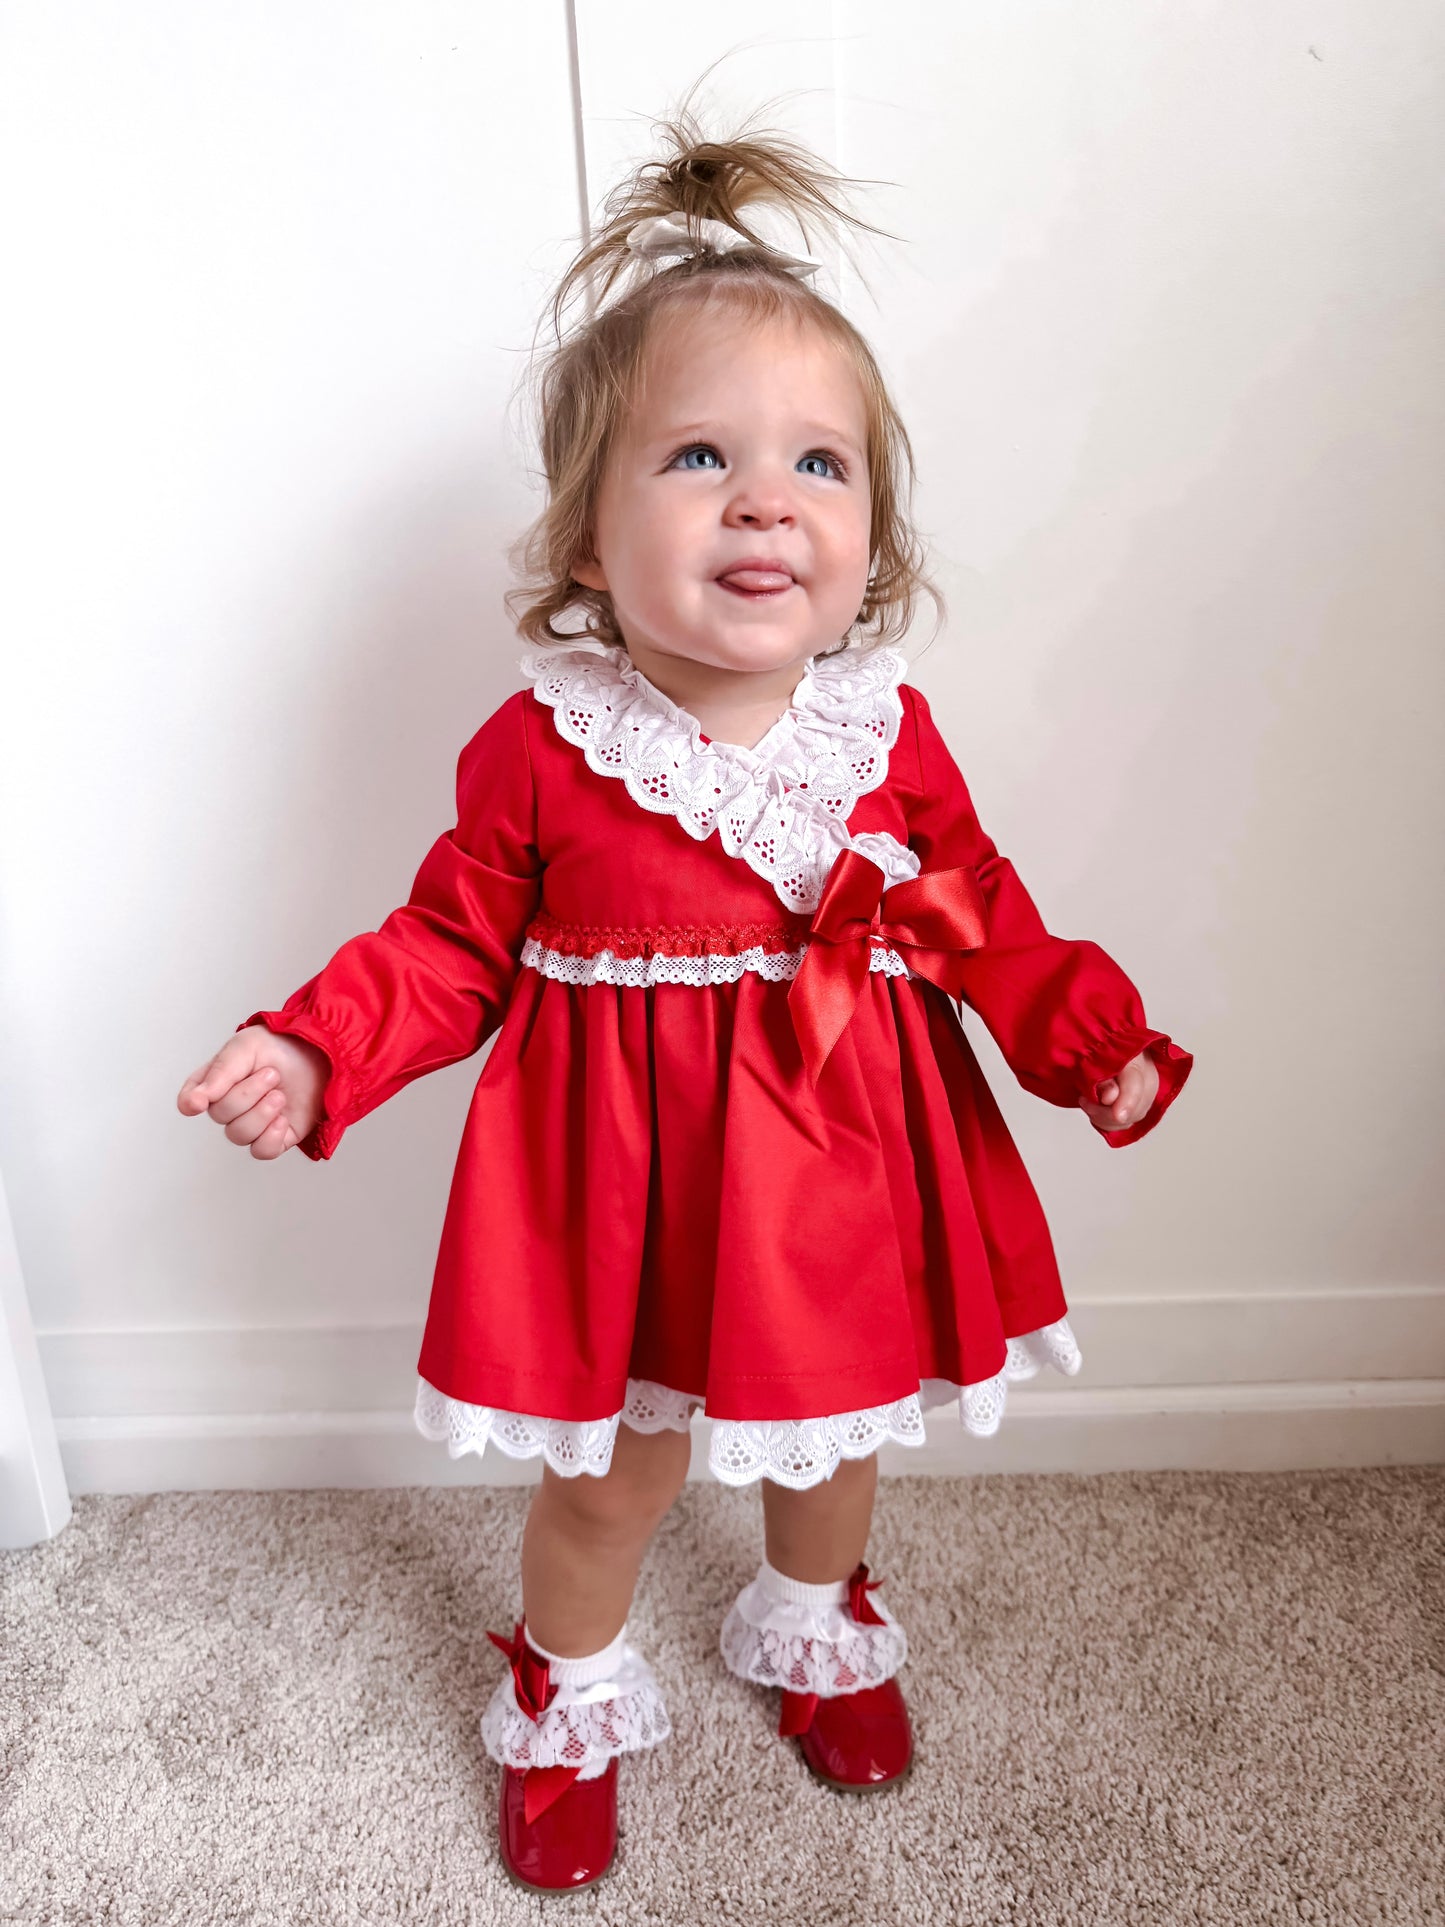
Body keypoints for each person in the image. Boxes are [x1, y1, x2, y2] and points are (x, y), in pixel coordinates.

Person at [177, 109, 1192, 1894]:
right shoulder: (547, 753)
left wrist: (1081, 1040)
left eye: (818, 466)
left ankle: (810, 1618)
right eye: (701, 456)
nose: (762, 501)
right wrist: (311, 1041)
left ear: (865, 538)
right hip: (621, 1197)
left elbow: (976, 915)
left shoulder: (883, 734)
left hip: (846, 1173)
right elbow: (448, 944)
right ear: (583, 539)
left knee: (834, 1447)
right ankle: (565, 1689)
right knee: (613, 1477)